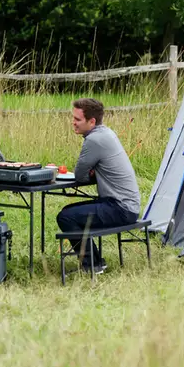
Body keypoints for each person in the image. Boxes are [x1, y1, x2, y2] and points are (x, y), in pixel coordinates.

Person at [57, 97, 141, 274]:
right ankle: (95, 262)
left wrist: (90, 173)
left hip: (120, 208)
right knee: (68, 212)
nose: (73, 122)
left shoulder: (94, 140)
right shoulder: (106, 133)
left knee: (66, 217)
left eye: (77, 119)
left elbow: (80, 176)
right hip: (126, 205)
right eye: (73, 118)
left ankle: (91, 266)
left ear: (92, 121)